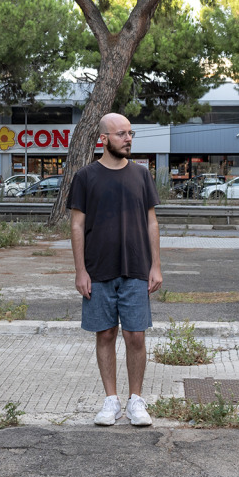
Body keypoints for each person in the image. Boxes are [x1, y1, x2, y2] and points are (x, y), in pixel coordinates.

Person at [69, 113, 163, 427]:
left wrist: (156, 266)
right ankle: (111, 401)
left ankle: (136, 401)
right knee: (105, 334)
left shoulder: (141, 175)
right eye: (121, 134)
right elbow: (77, 224)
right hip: (98, 270)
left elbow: (152, 221)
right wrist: (80, 270)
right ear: (104, 139)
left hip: (136, 267)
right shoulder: (85, 177)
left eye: (130, 133)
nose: (128, 139)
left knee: (135, 336)